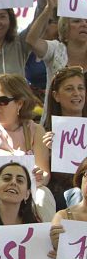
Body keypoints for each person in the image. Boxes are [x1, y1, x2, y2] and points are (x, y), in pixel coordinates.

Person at [0, 74, 50, 187]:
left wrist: (40, 176)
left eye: (2, 100)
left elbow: (45, 175)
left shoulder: (36, 130)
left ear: (20, 103)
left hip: (29, 191)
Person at [26, 0, 87, 124]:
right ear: (65, 27)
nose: (83, 24)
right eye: (77, 21)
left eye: (86, 21)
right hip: (53, 127)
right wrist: (49, 8)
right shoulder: (56, 49)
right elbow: (32, 40)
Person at [43, 67, 86, 207]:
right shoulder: (43, 133)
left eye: (80, 88)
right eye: (69, 89)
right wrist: (48, 152)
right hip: (61, 196)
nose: (77, 93)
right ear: (56, 96)